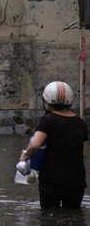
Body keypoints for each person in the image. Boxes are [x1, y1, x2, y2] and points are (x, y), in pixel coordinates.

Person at [19, 81, 87, 209]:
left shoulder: (47, 120)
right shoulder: (80, 123)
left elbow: (34, 145)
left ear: (47, 102)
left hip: (51, 179)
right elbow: (83, 152)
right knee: (72, 215)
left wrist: (25, 156)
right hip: (76, 180)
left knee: (49, 217)